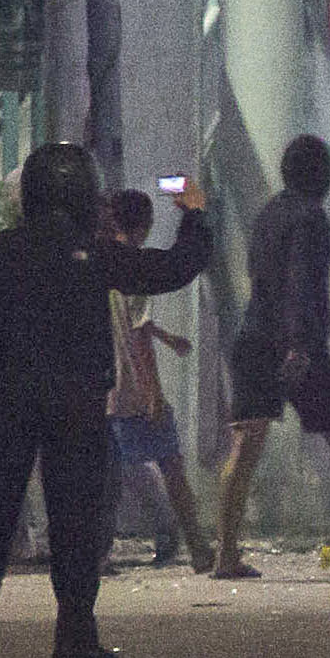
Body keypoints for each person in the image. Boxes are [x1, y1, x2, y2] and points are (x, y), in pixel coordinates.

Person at [0, 145, 209, 658]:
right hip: (76, 401)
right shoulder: (94, 254)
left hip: (6, 400)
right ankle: (75, 638)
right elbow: (172, 269)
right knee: (75, 521)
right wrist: (195, 215)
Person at [215, 134, 330, 580]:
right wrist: (300, 345)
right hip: (297, 347)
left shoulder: (268, 215)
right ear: (324, 176)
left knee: (243, 448)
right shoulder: (311, 219)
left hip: (253, 339)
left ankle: (226, 555)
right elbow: (301, 283)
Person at [101, 188, 211, 573]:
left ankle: (96, 553)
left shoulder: (93, 262)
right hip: (131, 390)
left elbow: (134, 323)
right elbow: (138, 336)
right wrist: (155, 394)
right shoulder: (132, 267)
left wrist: (167, 337)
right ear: (144, 226)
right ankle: (198, 548)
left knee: (105, 476)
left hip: (102, 391)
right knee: (172, 466)